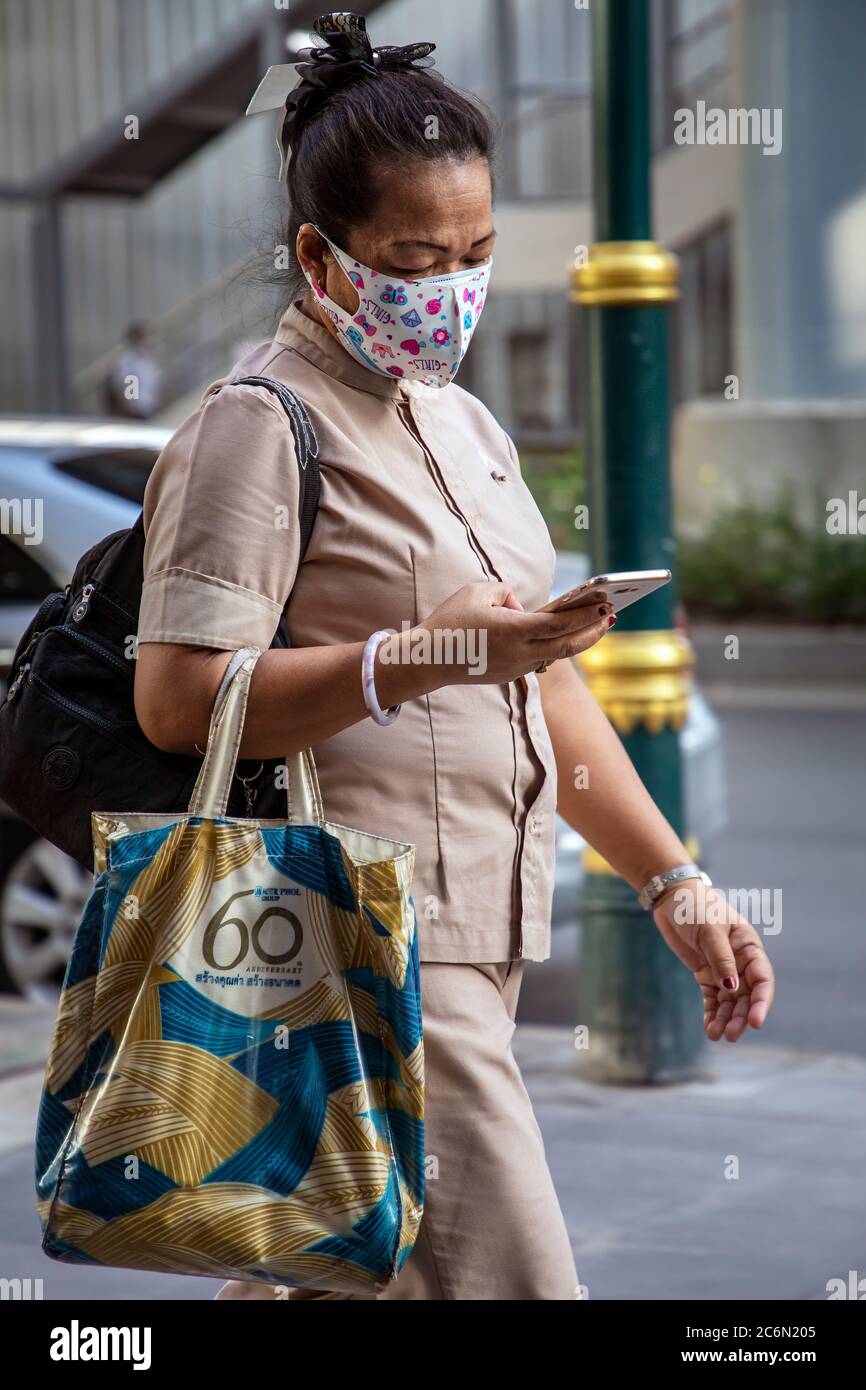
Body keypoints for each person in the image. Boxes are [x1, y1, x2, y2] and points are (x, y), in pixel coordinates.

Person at [133, 11, 775, 1302]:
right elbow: (178, 699)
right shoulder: (256, 425)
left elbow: (535, 679)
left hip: (478, 933)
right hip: (359, 940)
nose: (450, 286)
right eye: (414, 256)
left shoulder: (459, 418)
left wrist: (671, 882)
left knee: (334, 1276)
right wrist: (423, 653)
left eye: (475, 252)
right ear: (320, 255)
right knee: (513, 1279)